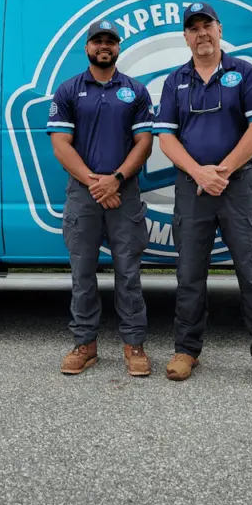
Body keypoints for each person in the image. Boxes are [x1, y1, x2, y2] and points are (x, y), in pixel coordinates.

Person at [153, 1, 252, 392]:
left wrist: (221, 172)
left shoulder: (243, 73)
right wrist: (199, 173)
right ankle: (186, 350)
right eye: (193, 28)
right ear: (186, 37)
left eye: (206, 25)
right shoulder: (174, 80)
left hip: (237, 187)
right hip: (192, 188)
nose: (201, 34)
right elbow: (165, 136)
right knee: (189, 273)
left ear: (219, 29)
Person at [47, 20, 155, 377]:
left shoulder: (136, 91)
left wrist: (117, 179)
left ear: (118, 47)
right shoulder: (67, 90)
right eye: (98, 41)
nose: (104, 46)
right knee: (82, 273)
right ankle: (84, 344)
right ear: (87, 47)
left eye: (110, 41)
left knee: (128, 273)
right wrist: (97, 183)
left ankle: (134, 344)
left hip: (124, 192)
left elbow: (144, 143)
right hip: (84, 194)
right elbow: (60, 145)